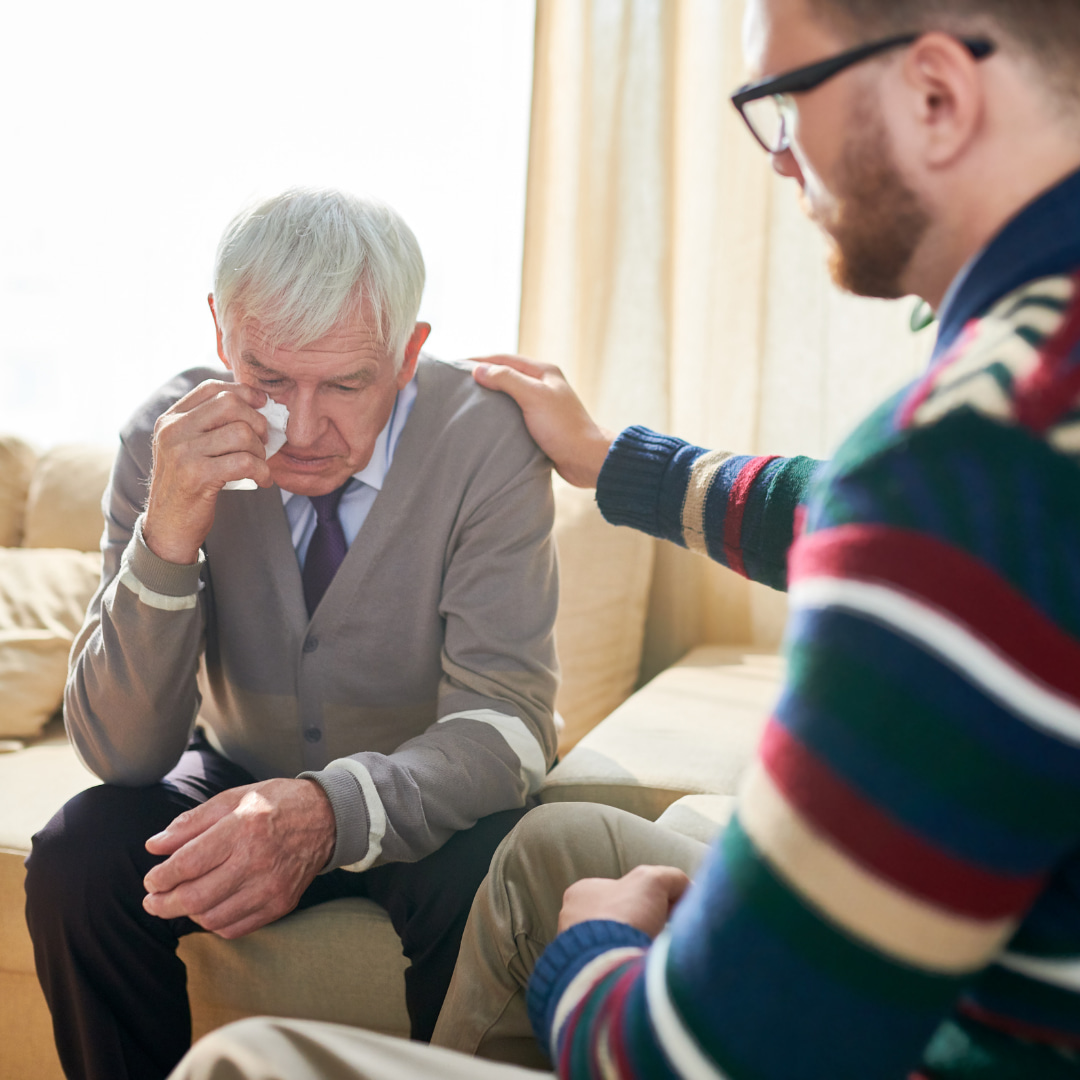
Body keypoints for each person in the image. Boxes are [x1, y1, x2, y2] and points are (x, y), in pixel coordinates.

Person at [171, 0, 1080, 1077]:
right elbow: (855, 511)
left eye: (782, 105)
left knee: (253, 1061)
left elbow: (697, 1057)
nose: (782, 165)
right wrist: (615, 462)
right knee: (556, 846)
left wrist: (592, 944)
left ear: (937, 94)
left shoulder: (975, 451)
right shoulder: (1015, 417)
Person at [23, 188, 560, 1080]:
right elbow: (122, 753)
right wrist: (169, 530)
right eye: (267, 379)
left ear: (409, 353)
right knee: (80, 857)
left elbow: (510, 724)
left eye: (347, 384)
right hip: (235, 764)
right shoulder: (167, 439)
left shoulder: (487, 438)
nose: (303, 431)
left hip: (429, 787)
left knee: (493, 871)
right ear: (220, 334)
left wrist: (325, 809)